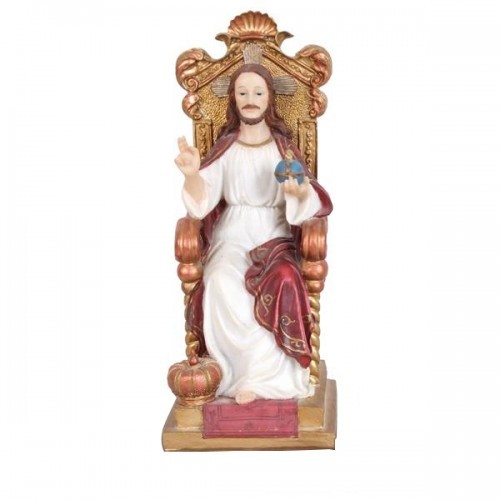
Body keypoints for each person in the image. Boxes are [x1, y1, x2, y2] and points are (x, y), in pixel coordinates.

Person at [175, 63, 332, 404]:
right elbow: (201, 203)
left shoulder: (282, 149)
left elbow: (307, 195)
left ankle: (266, 379)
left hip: (274, 235)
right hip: (232, 237)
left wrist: (297, 192)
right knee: (219, 280)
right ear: (233, 99)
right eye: (243, 93)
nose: (250, 99)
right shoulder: (227, 148)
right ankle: (230, 375)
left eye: (258, 93)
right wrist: (191, 174)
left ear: (269, 99)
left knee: (286, 277)